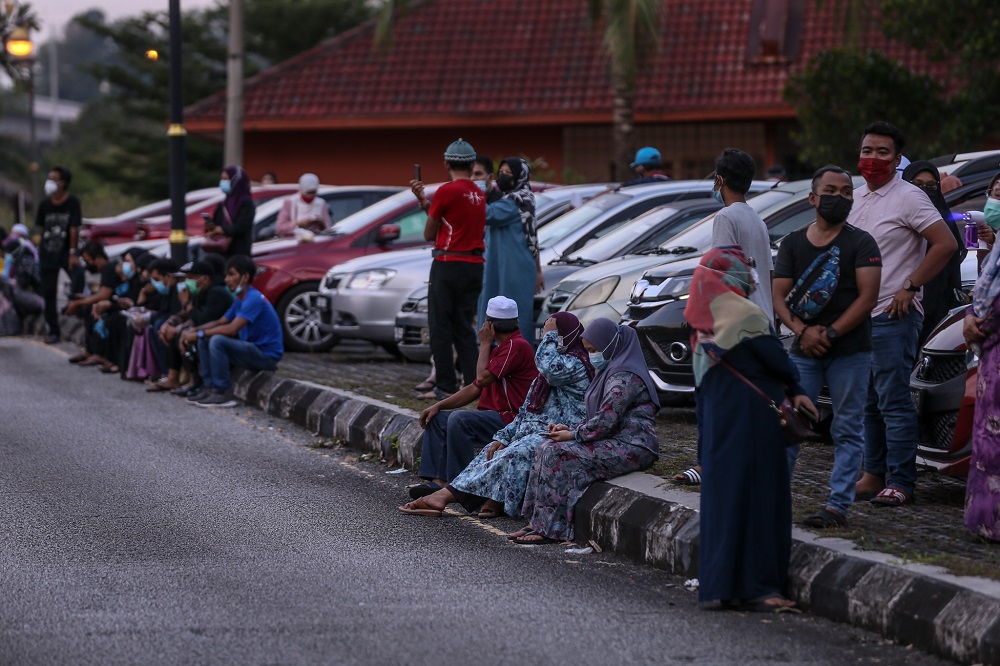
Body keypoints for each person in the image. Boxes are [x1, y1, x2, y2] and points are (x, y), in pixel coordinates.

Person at [686, 246, 816, 611]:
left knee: (726, 502)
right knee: (761, 500)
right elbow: (779, 362)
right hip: (754, 424)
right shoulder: (744, 313)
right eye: (745, 268)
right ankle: (762, 588)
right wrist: (799, 390)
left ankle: (723, 585)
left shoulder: (701, 322)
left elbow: (701, 391)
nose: (751, 274)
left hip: (718, 429)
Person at [848, 122, 957, 507]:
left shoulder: (909, 196)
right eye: (867, 151)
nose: (873, 159)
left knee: (894, 401)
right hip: (857, 318)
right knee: (867, 402)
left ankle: (901, 481)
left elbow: (945, 243)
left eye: (882, 153)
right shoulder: (856, 197)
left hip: (893, 317)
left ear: (897, 159)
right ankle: (872, 474)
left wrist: (911, 286)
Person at [399, 312, 592, 518]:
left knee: (514, 452)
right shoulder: (541, 378)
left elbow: (548, 368)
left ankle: (447, 496)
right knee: (491, 450)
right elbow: (525, 412)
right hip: (528, 429)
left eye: (554, 335)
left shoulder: (575, 365)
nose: (549, 341)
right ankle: (455, 493)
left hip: (559, 433)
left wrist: (550, 335)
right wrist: (504, 436)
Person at [772, 166, 882, 528]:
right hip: (803, 352)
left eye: (847, 191)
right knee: (791, 426)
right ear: (813, 198)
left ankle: (837, 506)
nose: (840, 197)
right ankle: (776, 504)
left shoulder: (861, 242)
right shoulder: (792, 243)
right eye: (832, 190)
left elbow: (868, 298)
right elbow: (778, 295)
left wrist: (830, 334)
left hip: (851, 352)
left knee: (848, 429)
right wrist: (803, 331)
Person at [510, 317, 660, 545]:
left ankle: (551, 528)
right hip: (613, 440)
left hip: (634, 446)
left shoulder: (625, 377)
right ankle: (536, 521)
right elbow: (599, 420)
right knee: (544, 448)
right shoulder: (610, 370)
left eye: (595, 350)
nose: (592, 356)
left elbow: (606, 420)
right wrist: (570, 429)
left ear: (610, 345)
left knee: (557, 453)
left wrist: (572, 435)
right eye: (588, 350)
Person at [408, 296, 537, 496]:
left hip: (512, 419)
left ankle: (459, 486)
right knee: (439, 419)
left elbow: (480, 378)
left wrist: (484, 343)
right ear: (516, 322)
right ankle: (437, 481)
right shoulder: (501, 349)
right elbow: (474, 388)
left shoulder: (516, 346)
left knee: (460, 420)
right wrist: (439, 406)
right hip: (496, 416)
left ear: (489, 325)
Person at [410, 138, 487, 398]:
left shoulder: (446, 191)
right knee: (464, 327)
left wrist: (425, 205)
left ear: (446, 163)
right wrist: (423, 200)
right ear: (472, 163)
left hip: (448, 263)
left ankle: (444, 386)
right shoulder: (478, 193)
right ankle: (472, 384)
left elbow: (430, 231)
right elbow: (451, 219)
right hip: (474, 265)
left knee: (440, 326)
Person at [180, 255, 284, 407]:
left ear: (245, 277)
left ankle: (223, 392)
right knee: (204, 339)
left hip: (265, 355)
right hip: (250, 349)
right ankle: (208, 387)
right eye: (226, 275)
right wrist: (194, 331)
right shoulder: (240, 299)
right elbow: (220, 321)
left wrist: (198, 333)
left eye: (232, 274)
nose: (227, 279)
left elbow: (231, 329)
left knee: (217, 340)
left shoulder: (253, 299)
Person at [477, 157, 544, 344]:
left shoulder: (517, 201)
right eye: (502, 172)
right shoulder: (511, 199)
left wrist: (479, 192)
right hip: (505, 267)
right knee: (497, 313)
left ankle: (521, 362)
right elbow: (533, 237)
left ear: (520, 177)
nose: (503, 176)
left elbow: (485, 213)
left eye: (509, 173)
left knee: (514, 318)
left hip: (515, 270)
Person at [902, 160, 966, 346]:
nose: (925, 191)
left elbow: (952, 267)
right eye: (918, 185)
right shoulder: (896, 222)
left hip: (938, 309)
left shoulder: (944, 223)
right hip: (899, 307)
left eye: (931, 186)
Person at [962, 238, 1000, 541]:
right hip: (992, 361)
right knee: (989, 441)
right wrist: (970, 318)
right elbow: (980, 293)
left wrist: (980, 324)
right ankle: (987, 520)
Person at [152, 260, 234, 395]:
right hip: (207, 331)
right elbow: (187, 315)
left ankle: (196, 381)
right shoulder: (199, 292)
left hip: (220, 335)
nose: (187, 281)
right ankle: (174, 377)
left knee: (184, 335)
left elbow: (203, 320)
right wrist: (169, 324)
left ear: (205, 279)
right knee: (174, 331)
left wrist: (186, 305)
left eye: (191, 277)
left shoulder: (216, 293)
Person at [710, 148, 774, 318]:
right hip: (763, 317)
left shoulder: (725, 217)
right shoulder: (757, 219)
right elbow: (769, 273)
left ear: (720, 180)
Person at [35, 166, 82, 344]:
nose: (50, 181)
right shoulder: (45, 204)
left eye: (54, 178)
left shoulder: (72, 203)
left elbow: (73, 228)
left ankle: (77, 310)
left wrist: (72, 252)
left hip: (65, 252)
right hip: (48, 254)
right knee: (48, 293)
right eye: (49, 177)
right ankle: (53, 330)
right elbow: (42, 227)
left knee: (78, 278)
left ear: (63, 183)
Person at [205, 166, 255, 258]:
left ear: (236, 181)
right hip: (221, 252)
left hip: (238, 252)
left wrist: (223, 230)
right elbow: (217, 222)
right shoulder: (224, 202)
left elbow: (242, 226)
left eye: (226, 179)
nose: (222, 182)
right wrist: (211, 226)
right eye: (222, 179)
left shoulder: (246, 202)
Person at [276, 173, 330, 239]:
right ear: (302, 189)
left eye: (313, 192)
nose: (311, 196)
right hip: (294, 242)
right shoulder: (290, 202)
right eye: (308, 192)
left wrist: (322, 223)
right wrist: (298, 223)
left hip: (315, 242)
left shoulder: (320, 203)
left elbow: (328, 230)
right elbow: (280, 228)